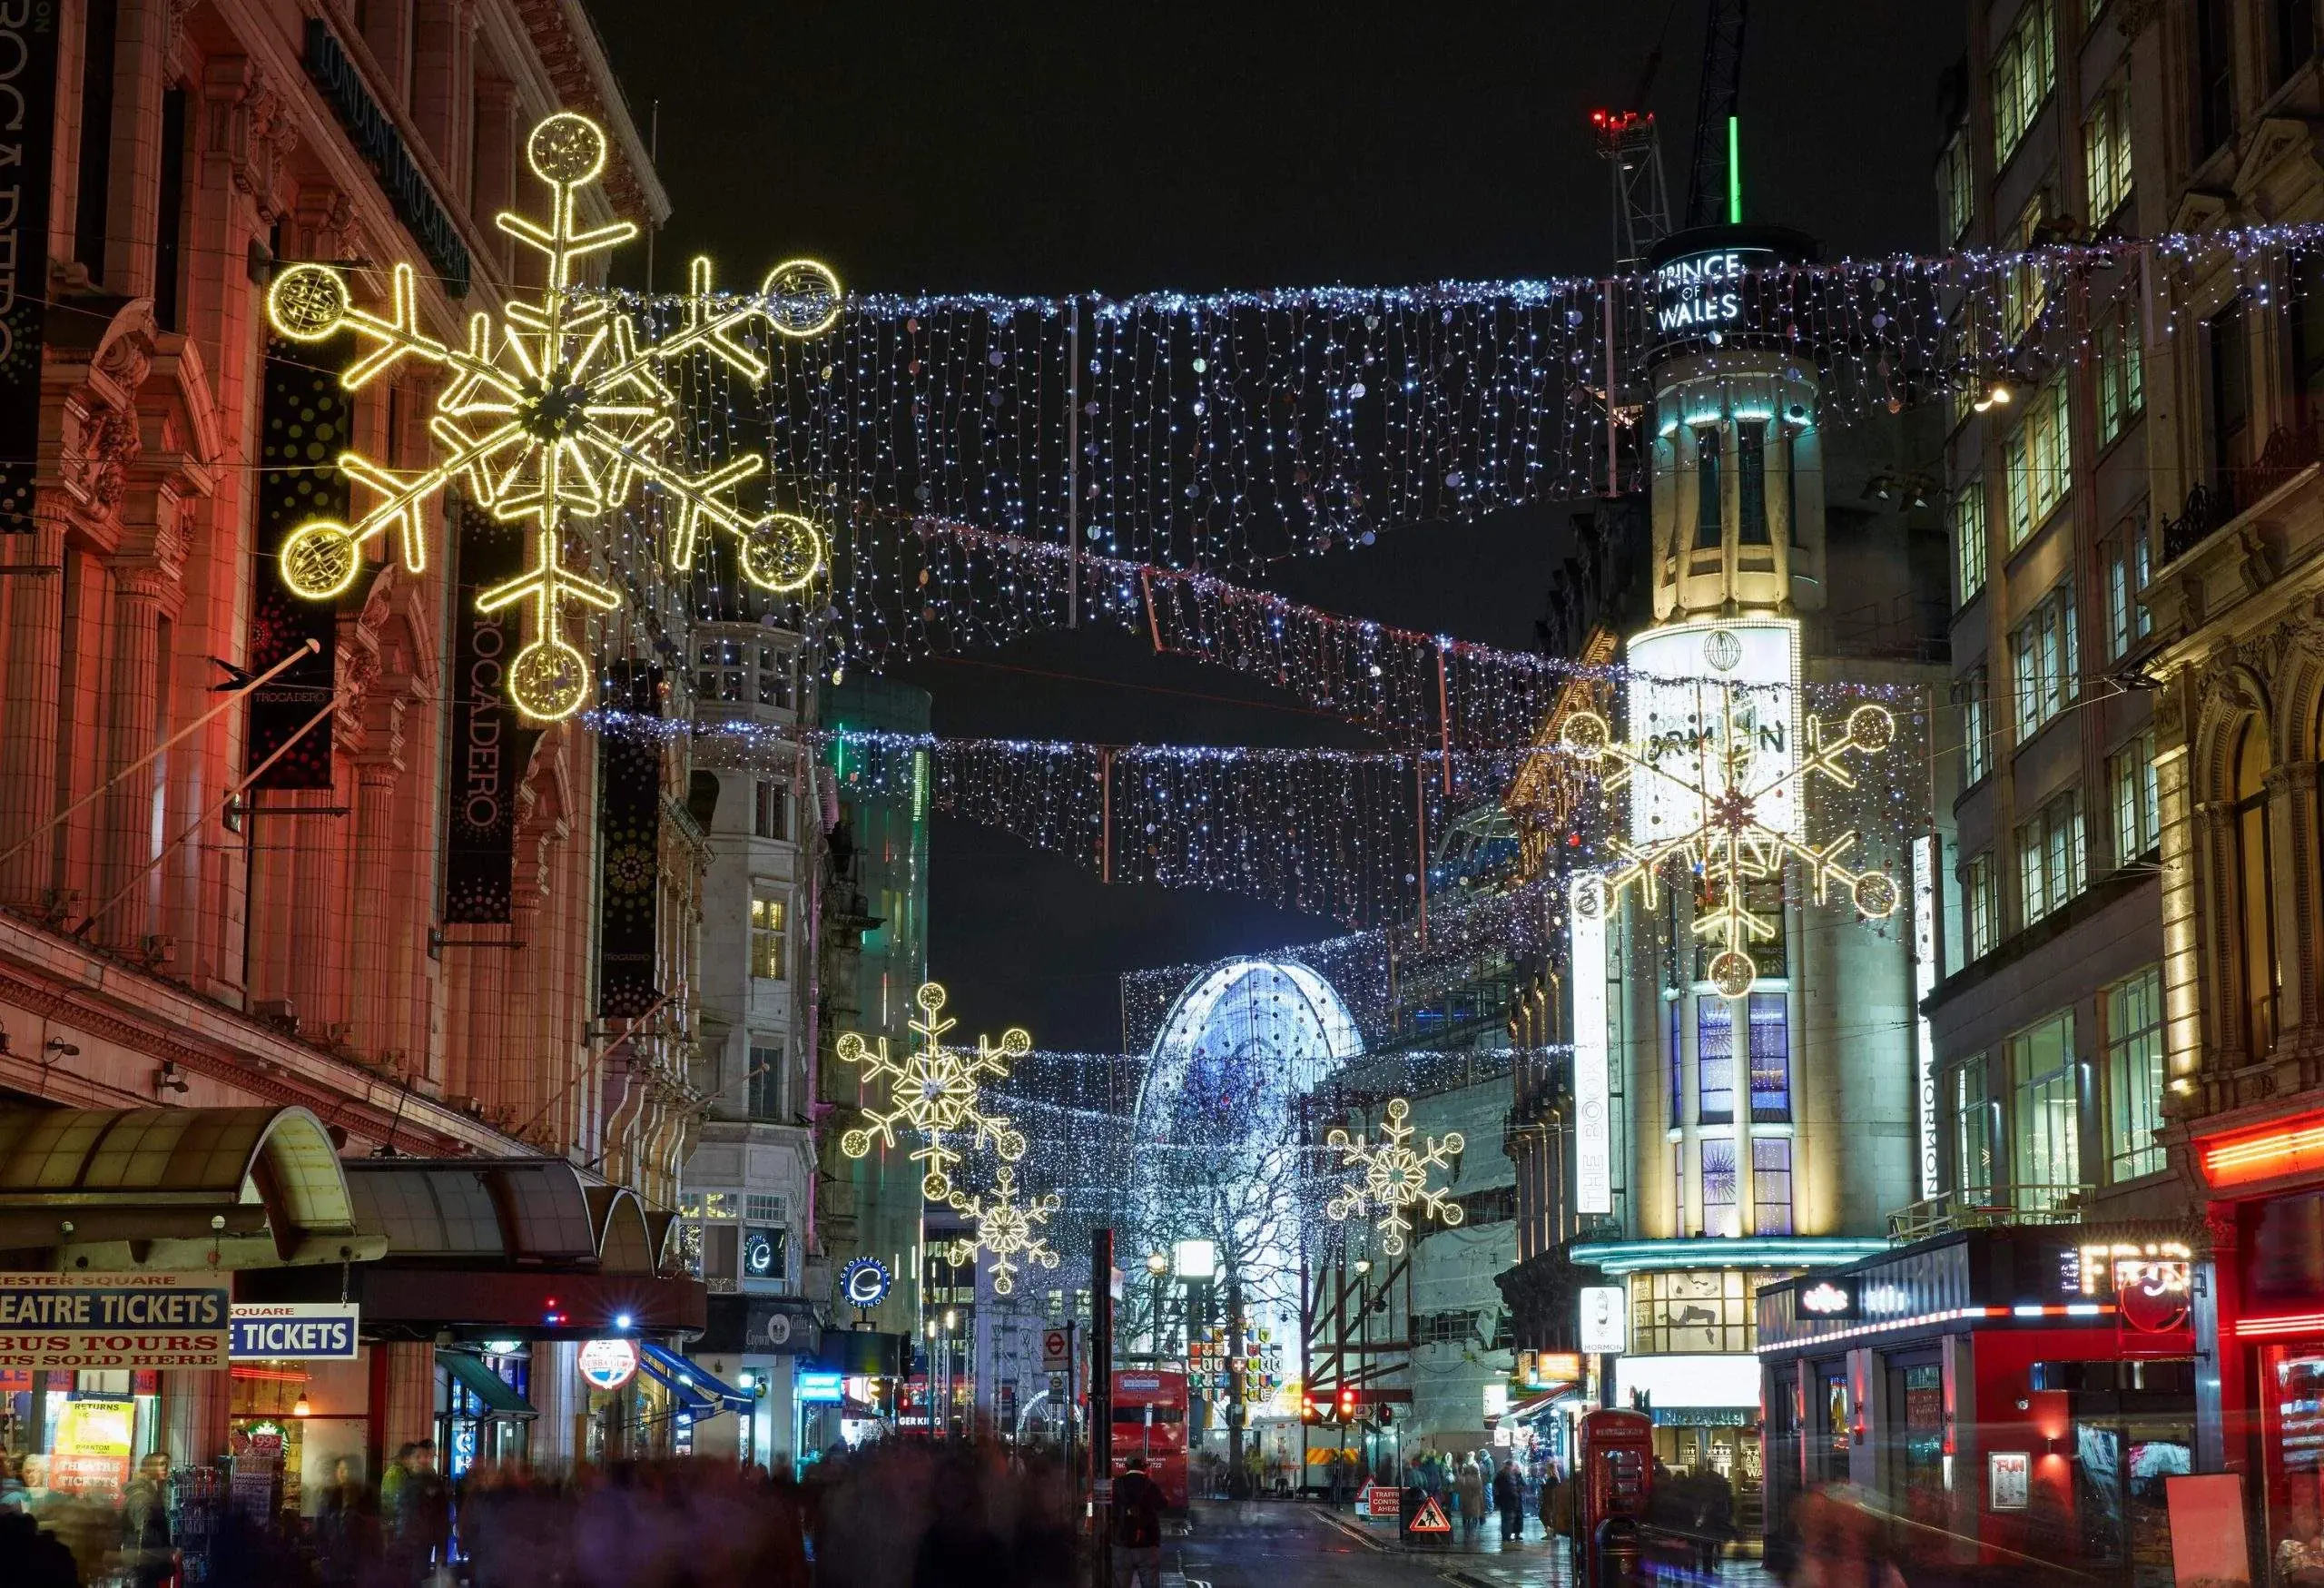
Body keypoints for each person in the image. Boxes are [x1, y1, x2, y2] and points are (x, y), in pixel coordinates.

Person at [121, 1451, 173, 1588]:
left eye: (167, 1464)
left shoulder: (150, 1492)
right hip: (142, 1569)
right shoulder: (143, 1496)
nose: (166, 1468)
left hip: (143, 1567)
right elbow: (143, 1534)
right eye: (162, 1464)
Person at [1112, 1455, 1166, 1588]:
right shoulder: (1150, 1485)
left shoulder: (1116, 1485)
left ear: (1126, 1467)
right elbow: (1162, 1504)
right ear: (1145, 1468)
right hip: (1148, 1544)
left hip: (1122, 1544)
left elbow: (1109, 1510)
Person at [1493, 1456, 1523, 1544]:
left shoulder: (1500, 1474)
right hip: (1509, 1501)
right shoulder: (1508, 1475)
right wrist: (1515, 1496)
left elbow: (1496, 1486)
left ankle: (1505, 1536)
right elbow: (1510, 1489)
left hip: (1503, 1500)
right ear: (1510, 1466)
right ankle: (1506, 1536)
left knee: (1504, 1519)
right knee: (1508, 1519)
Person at [1456, 1456, 1484, 1541]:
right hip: (1474, 1500)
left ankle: (1467, 1530)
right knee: (1474, 1514)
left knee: (1466, 1515)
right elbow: (1479, 1489)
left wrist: (1457, 1470)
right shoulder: (1477, 1479)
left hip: (1465, 1500)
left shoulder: (1463, 1478)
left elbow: (1458, 1486)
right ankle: (1473, 1532)